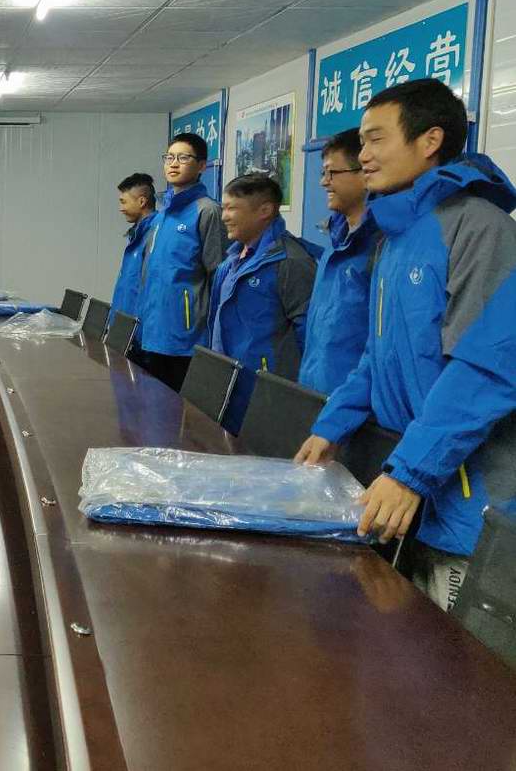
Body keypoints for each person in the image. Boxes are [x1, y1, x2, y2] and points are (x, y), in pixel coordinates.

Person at [294, 79, 516, 611]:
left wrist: (411, 473)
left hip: (468, 493)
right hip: (410, 479)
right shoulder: (396, 237)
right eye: (362, 143)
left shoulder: (480, 228)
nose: (363, 156)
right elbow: (379, 355)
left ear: (430, 140)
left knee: (463, 653)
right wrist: (331, 426)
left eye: (376, 139)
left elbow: (486, 370)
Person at [209, 173, 319, 433]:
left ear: (265, 211)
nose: (224, 216)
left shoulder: (291, 262)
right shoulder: (230, 262)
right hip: (227, 387)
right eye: (223, 208)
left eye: (232, 208)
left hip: (266, 396)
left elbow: (310, 338)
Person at [137, 133, 227, 391]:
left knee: (179, 410)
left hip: (186, 339)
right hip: (153, 332)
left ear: (202, 166)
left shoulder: (207, 210)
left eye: (183, 158)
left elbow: (219, 277)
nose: (174, 164)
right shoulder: (161, 215)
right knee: (151, 404)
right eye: (169, 157)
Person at [298, 128, 381, 394]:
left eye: (332, 173)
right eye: (323, 173)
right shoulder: (335, 243)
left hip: (354, 401)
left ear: (365, 173)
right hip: (316, 393)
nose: (324, 182)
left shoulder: (380, 245)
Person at [111, 173, 158, 342]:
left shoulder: (156, 234)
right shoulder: (137, 233)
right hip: (125, 330)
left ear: (142, 201)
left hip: (140, 334)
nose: (121, 208)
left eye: (123, 202)